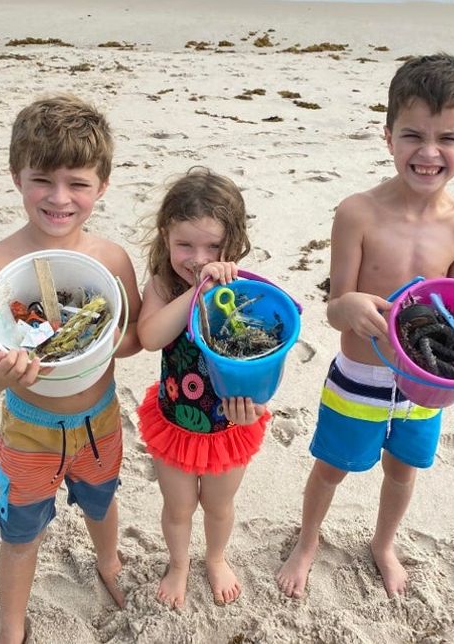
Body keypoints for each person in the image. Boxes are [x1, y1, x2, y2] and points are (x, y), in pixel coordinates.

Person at [277, 54, 454, 599]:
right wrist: (346, 308)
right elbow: (333, 304)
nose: (428, 151)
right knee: (331, 467)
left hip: (424, 386)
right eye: (412, 134)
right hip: (360, 377)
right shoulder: (358, 213)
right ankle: (307, 540)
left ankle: (383, 543)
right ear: (388, 135)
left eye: (447, 138)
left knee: (403, 470)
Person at [0, 94, 142, 644]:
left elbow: (132, 338)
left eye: (78, 183)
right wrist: (1, 372)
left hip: (99, 422)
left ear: (102, 185)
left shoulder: (111, 260)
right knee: (20, 531)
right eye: (42, 179)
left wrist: (107, 340)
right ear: (17, 175)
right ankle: (12, 626)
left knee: (101, 499)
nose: (59, 198)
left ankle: (108, 561)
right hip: (28, 427)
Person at [136, 166, 270, 608]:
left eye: (213, 245)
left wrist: (254, 406)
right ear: (165, 238)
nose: (198, 257)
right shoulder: (162, 283)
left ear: (233, 245)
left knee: (218, 505)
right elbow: (151, 336)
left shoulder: (243, 291)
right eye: (184, 245)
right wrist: (194, 293)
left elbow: (263, 356)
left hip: (228, 425)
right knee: (178, 508)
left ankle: (215, 557)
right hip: (175, 421)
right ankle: (178, 565)